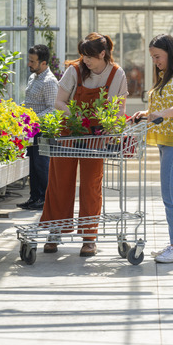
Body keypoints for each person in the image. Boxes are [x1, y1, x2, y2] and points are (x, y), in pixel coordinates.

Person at [40, 32, 128, 257]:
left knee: (91, 185)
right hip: (69, 131)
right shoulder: (75, 70)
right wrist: (75, 117)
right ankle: (55, 232)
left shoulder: (117, 75)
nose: (85, 61)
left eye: (90, 56)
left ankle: (89, 238)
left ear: (102, 53)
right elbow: (59, 102)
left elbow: (118, 111)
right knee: (60, 182)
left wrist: (111, 129)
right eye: (82, 56)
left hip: (95, 136)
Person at [130, 34, 173, 263]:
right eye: (152, 57)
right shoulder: (165, 76)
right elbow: (161, 107)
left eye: (158, 56)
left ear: (170, 52)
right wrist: (147, 114)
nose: (155, 61)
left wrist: (161, 114)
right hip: (168, 139)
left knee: (171, 193)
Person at [19, 44, 59, 211]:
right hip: (32, 129)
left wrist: (33, 118)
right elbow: (31, 102)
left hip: (44, 130)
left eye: (32, 61)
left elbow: (53, 108)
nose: (29, 64)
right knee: (33, 164)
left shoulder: (49, 82)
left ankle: (45, 199)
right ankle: (34, 197)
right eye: (29, 60)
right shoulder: (33, 77)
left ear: (43, 63)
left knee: (42, 165)